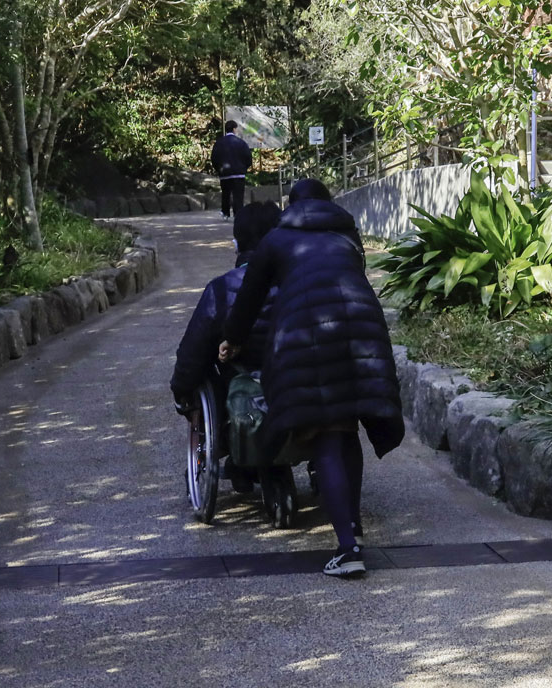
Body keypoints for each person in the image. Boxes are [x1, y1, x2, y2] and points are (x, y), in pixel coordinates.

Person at [219, 178, 403, 578]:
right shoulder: (348, 236)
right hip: (362, 327)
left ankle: (348, 547)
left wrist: (232, 341)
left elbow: (250, 297)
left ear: (291, 205)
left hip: (307, 333)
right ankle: (350, 531)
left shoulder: (277, 239)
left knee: (324, 433)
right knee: (345, 427)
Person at [171, 202, 282, 492]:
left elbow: (193, 353)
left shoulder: (221, 289)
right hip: (294, 374)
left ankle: (235, 452)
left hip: (240, 384)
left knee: (209, 370)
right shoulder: (298, 279)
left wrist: (182, 392)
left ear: (236, 243)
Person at [210, 120, 252, 220]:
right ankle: (238, 214)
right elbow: (248, 157)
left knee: (225, 193)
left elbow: (214, 158)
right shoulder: (241, 143)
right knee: (238, 195)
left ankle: (225, 213)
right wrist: (244, 168)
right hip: (238, 173)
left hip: (225, 173)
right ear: (234, 129)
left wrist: (219, 169)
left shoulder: (219, 143)